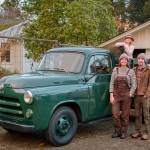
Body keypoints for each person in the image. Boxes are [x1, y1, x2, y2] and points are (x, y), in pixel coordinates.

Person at [109, 53, 137, 139]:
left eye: (125, 59)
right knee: (115, 114)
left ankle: (124, 132)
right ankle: (117, 131)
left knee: (125, 115)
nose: (124, 61)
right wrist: (111, 95)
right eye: (122, 59)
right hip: (116, 95)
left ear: (127, 61)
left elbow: (134, 84)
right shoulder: (115, 70)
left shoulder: (131, 71)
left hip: (126, 96)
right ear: (120, 61)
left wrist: (130, 93)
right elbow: (112, 83)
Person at [131, 53, 150, 140]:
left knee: (146, 115)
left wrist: (147, 93)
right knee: (137, 115)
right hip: (136, 95)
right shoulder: (134, 69)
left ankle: (146, 132)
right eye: (139, 59)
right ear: (137, 60)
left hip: (145, 96)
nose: (140, 60)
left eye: (142, 59)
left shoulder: (148, 69)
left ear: (144, 60)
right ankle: (137, 131)